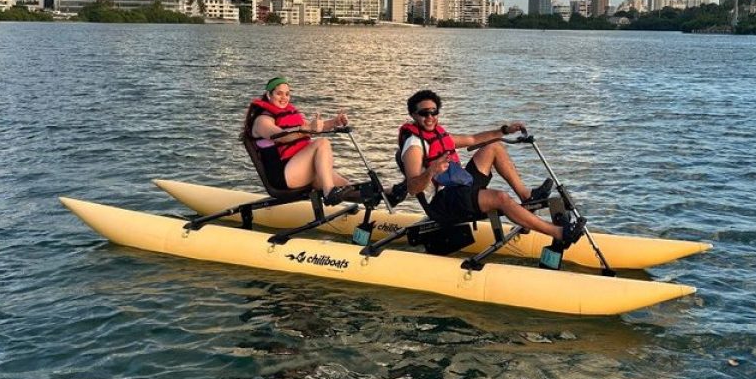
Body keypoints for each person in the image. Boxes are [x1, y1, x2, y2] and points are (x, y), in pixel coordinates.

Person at [397, 89, 584, 249]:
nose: (430, 117)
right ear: (413, 115)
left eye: (434, 112)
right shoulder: (414, 146)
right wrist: (431, 170)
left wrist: (504, 131)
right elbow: (413, 188)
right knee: (500, 197)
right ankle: (560, 233)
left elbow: (472, 139)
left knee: (494, 146)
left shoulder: (439, 134)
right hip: (444, 202)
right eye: (424, 113)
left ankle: (527, 196)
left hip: (460, 186)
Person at [244, 76, 357, 205]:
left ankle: (368, 206)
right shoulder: (262, 121)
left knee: (350, 188)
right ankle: (329, 192)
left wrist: (335, 122)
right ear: (269, 95)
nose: (284, 97)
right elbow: (281, 136)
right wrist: (306, 129)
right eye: (279, 93)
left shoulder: (288, 114)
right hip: (282, 177)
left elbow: (314, 127)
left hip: (298, 170)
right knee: (322, 143)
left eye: (287, 94)